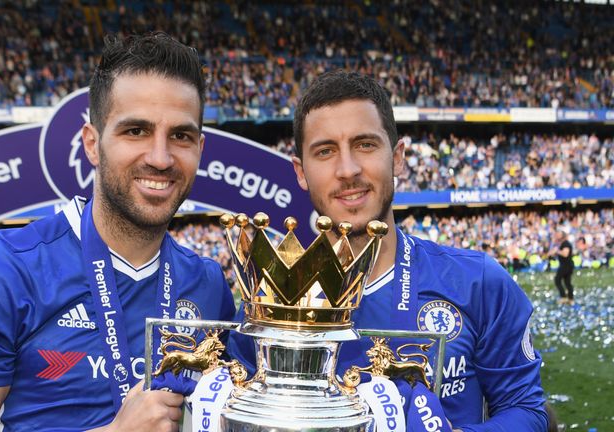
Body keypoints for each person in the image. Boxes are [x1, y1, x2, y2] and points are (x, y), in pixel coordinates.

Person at [0, 33, 236, 432]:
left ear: (200, 149)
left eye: (181, 136)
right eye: (135, 130)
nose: (160, 157)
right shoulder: (10, 269)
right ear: (91, 143)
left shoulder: (207, 283)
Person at [228, 71, 547, 431]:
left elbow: (528, 412)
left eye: (365, 145)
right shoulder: (270, 306)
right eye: (326, 151)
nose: (347, 170)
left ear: (398, 157)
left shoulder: (478, 283)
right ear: (301, 172)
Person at [553, 230, 574, 305]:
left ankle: (564, 297)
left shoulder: (566, 244)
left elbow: (565, 254)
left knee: (557, 279)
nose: (556, 236)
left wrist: (557, 251)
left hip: (566, 265)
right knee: (567, 282)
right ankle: (570, 299)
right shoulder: (563, 244)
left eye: (558, 234)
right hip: (566, 265)